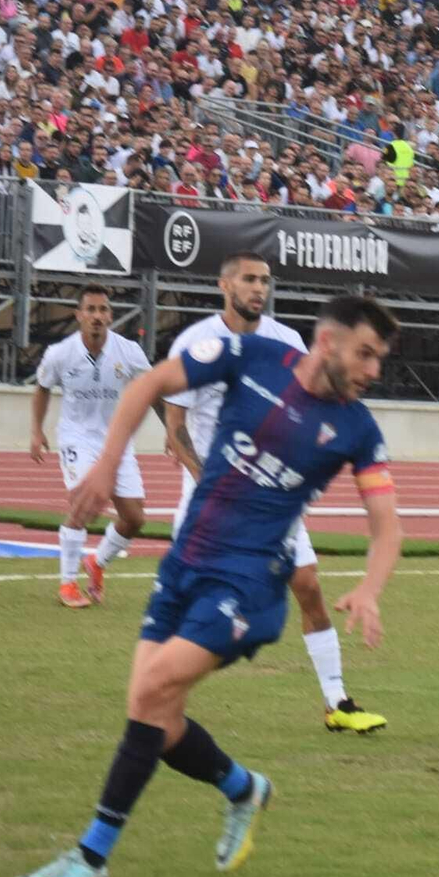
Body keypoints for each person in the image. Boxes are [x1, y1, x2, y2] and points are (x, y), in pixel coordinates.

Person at [12, 296, 404, 877]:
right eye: (366, 354)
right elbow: (149, 384)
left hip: (249, 584)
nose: (374, 370)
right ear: (327, 343)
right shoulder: (254, 356)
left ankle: (91, 857)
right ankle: (244, 788)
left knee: (150, 691)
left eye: (380, 358)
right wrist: (106, 464)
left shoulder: (358, 429)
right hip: (187, 561)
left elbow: (386, 522)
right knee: (156, 717)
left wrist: (372, 588)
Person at [164, 252, 386, 734]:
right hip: (209, 496)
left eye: (264, 280)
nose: (258, 289)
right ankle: (162, 698)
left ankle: (337, 702)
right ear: (225, 285)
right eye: (248, 279)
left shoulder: (285, 341)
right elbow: (174, 423)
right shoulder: (197, 341)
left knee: (307, 586)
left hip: (270, 495)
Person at [30, 286, 151, 608]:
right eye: (91, 310)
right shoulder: (60, 353)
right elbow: (42, 388)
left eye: (103, 310)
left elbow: (154, 389)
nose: (98, 316)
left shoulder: (128, 352)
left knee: (135, 518)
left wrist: (171, 432)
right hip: (76, 438)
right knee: (84, 504)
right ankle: (68, 584)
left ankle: (97, 562)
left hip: (117, 441)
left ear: (110, 315)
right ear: (79, 316)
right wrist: (36, 431)